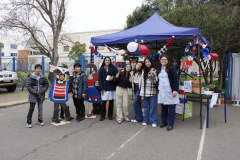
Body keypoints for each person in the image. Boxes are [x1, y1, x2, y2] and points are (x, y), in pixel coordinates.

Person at [157, 54, 179, 131]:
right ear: (160, 60)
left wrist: (175, 90)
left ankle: (170, 124)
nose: (163, 60)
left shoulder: (171, 68)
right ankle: (164, 122)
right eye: (162, 59)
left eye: (165, 59)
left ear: (167, 61)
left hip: (170, 91)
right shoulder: (159, 69)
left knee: (172, 108)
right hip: (162, 92)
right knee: (164, 108)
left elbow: (176, 79)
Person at [26, 64, 49, 128]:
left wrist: (41, 92)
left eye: (39, 68)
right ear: (35, 69)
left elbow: (46, 85)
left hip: (41, 95)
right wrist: (36, 93)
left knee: (40, 108)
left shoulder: (43, 77)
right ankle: (29, 121)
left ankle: (40, 120)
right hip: (33, 95)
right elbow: (29, 87)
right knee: (31, 108)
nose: (38, 70)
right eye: (37, 68)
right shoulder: (31, 77)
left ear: (41, 70)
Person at [98, 57, 118, 121]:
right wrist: (101, 88)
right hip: (104, 88)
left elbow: (117, 75)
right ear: (104, 61)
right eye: (106, 60)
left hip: (112, 87)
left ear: (110, 61)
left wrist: (113, 78)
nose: (107, 61)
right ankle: (102, 115)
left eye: (108, 60)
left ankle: (110, 115)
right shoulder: (101, 69)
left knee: (111, 102)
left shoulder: (113, 68)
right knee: (104, 102)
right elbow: (100, 79)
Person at [140, 58, 158, 127]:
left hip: (153, 92)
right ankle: (146, 120)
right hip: (145, 92)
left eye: (148, 62)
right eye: (146, 62)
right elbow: (142, 83)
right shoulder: (143, 71)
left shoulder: (154, 70)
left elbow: (156, 81)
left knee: (153, 107)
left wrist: (152, 74)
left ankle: (154, 121)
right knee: (146, 107)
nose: (147, 63)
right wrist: (142, 93)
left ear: (151, 62)